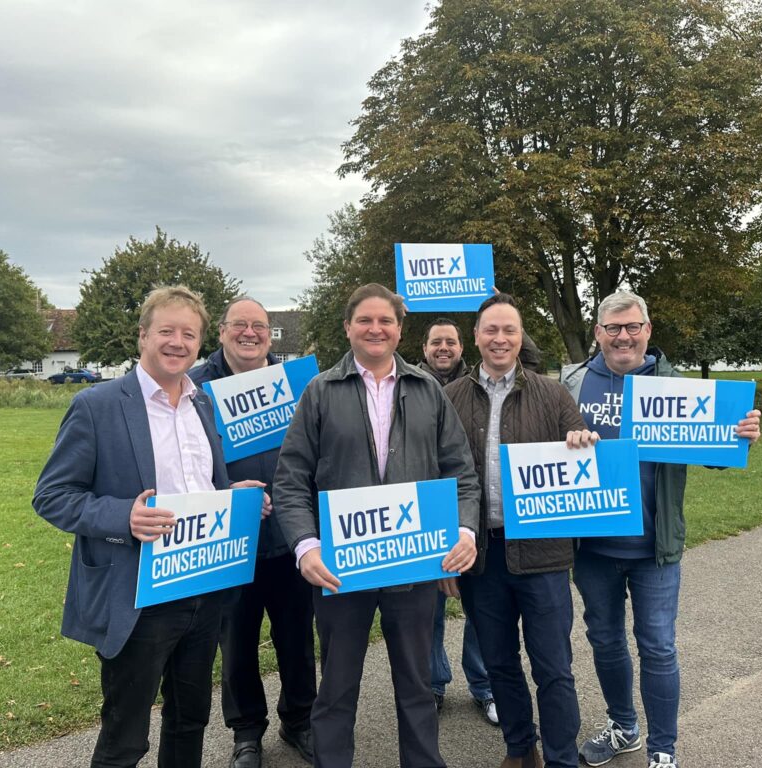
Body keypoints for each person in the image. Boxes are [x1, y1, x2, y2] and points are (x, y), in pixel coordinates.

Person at [32, 286, 270, 768]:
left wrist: (231, 494)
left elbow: (199, 482)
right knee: (126, 735)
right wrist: (125, 516)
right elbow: (52, 496)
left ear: (201, 342)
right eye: (167, 331)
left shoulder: (203, 404)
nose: (177, 342)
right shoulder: (97, 405)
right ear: (143, 336)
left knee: (189, 722)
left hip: (203, 586)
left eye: (189, 334)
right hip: (138, 594)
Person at [274, 283, 481, 768]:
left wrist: (465, 533)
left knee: (416, 685)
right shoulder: (320, 390)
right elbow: (290, 479)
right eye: (365, 320)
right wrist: (307, 548)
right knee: (337, 687)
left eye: (385, 321)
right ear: (348, 327)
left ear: (399, 329)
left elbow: (462, 473)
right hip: (342, 569)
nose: (375, 328)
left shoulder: (427, 389)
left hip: (414, 567)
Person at [560, 290, 762, 768]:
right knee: (605, 640)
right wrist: (565, 441)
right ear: (598, 333)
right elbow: (548, 444)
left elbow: (710, 452)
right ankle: (624, 727)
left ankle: (663, 750)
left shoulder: (675, 385)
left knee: (657, 646)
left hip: (655, 546)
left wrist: (740, 435)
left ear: (648, 331)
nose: (623, 335)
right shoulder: (572, 382)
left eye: (632, 326)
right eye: (612, 327)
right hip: (591, 546)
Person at [444, 293, 599, 768]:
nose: (500, 339)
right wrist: (444, 553)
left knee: (554, 668)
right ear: (477, 337)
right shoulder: (449, 398)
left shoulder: (552, 394)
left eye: (509, 330)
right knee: (500, 663)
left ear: (520, 336)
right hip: (481, 555)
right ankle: (518, 749)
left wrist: (581, 440)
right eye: (491, 330)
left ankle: (560, 759)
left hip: (543, 556)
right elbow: (437, 475)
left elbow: (584, 448)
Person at [189, 296, 317, 768]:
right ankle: (246, 732)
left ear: (270, 334)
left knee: (297, 636)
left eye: (259, 326)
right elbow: (180, 463)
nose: (250, 333)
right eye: (239, 325)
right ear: (221, 332)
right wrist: (225, 489)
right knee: (236, 642)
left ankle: (300, 719)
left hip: (292, 534)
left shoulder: (296, 385)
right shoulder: (195, 387)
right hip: (229, 540)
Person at [418, 318, 497, 725]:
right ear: (425, 346)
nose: (443, 348)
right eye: (436, 342)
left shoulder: (477, 384)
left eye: (451, 341)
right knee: (428, 610)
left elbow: (528, 357)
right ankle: (433, 683)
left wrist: (498, 301)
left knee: (480, 608)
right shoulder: (409, 384)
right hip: (429, 515)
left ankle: (482, 685)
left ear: (463, 347)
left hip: (478, 514)